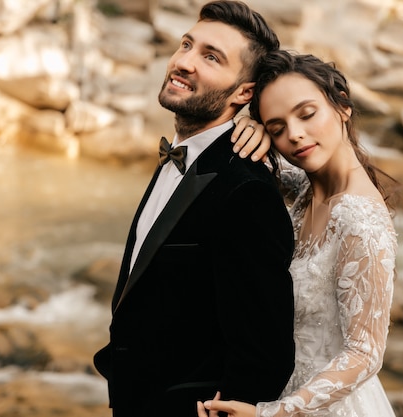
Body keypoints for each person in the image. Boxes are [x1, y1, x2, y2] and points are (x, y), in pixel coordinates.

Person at [93, 2, 296, 416]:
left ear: (244, 93)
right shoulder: (182, 153)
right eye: (187, 44)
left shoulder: (247, 193)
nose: (183, 61)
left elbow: (265, 354)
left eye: (210, 57)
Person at [198, 50, 399, 417]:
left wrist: (274, 413)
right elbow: (259, 182)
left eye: (307, 114)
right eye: (277, 128)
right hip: (277, 386)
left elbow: (366, 354)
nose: (295, 135)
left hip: (321, 407)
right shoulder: (302, 187)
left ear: (343, 106)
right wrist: (251, 131)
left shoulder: (362, 220)